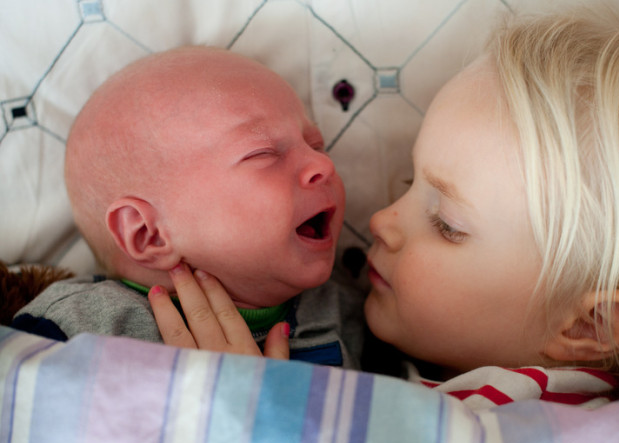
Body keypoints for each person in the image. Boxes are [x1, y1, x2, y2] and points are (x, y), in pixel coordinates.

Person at [151, 6, 619, 409]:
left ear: (590, 324)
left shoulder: (546, 431)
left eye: (446, 225)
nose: (381, 221)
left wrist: (252, 416)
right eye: (409, 182)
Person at [11, 46, 366, 369]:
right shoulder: (81, 329)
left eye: (316, 145)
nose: (323, 164)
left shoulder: (346, 313)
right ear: (148, 234)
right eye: (262, 153)